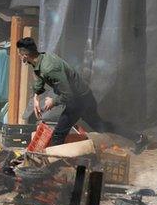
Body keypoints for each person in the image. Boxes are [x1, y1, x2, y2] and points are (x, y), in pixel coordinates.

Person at [16, 37, 149, 152]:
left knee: (58, 135)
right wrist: (36, 98)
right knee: (100, 126)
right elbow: (40, 78)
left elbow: (68, 94)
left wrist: (53, 101)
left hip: (78, 100)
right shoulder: (41, 59)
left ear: (24, 55)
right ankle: (139, 138)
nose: (19, 56)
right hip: (83, 97)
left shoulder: (49, 67)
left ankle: (55, 169)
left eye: (19, 54)